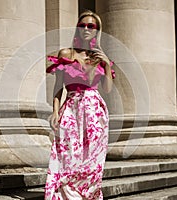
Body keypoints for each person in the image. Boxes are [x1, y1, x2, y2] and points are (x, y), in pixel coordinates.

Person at [45, 10, 115, 200]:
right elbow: (59, 87)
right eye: (82, 25)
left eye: (91, 26)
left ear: (96, 31)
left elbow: (107, 89)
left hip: (94, 112)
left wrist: (107, 65)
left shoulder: (99, 58)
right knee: (69, 155)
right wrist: (55, 112)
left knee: (92, 160)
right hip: (71, 108)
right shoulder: (67, 54)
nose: (86, 29)